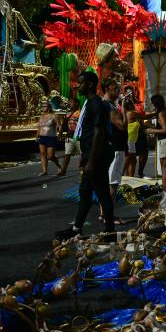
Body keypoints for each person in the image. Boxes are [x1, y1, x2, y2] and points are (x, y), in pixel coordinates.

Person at [58, 71, 115, 239]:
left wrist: (91, 161)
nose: (77, 86)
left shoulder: (96, 104)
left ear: (90, 84)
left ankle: (109, 230)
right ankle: (77, 228)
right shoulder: (90, 103)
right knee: (86, 191)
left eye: (81, 83)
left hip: (97, 155)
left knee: (101, 191)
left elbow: (99, 134)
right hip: (92, 154)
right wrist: (85, 156)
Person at [102, 79, 127, 225]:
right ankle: (109, 216)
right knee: (113, 184)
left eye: (118, 88)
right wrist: (123, 107)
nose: (118, 91)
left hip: (113, 147)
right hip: (116, 148)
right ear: (106, 89)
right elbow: (122, 126)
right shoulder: (109, 107)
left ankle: (104, 214)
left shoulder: (109, 105)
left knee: (109, 183)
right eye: (115, 88)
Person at [146, 95, 166, 191]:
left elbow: (165, 129)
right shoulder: (164, 111)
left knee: (165, 169)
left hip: (165, 142)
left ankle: (165, 191)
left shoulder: (161, 113)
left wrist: (151, 130)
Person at [36, 102, 62, 176]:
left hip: (51, 137)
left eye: (45, 106)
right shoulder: (41, 116)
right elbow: (39, 127)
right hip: (42, 137)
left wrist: (59, 134)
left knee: (50, 156)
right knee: (42, 154)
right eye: (42, 106)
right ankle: (45, 171)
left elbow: (59, 126)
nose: (43, 107)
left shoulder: (54, 116)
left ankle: (59, 166)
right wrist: (37, 135)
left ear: (49, 107)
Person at [57, 98, 81, 176]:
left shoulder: (80, 113)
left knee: (83, 154)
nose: (69, 103)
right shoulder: (67, 114)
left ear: (76, 104)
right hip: (69, 137)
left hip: (78, 137)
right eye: (68, 102)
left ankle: (85, 168)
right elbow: (64, 126)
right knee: (67, 154)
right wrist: (60, 134)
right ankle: (63, 170)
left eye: (71, 102)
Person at [124, 99, 141, 176]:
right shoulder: (131, 113)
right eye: (132, 104)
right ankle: (120, 178)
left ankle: (129, 179)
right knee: (129, 161)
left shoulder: (126, 113)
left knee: (131, 161)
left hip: (131, 140)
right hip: (129, 140)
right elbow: (142, 116)